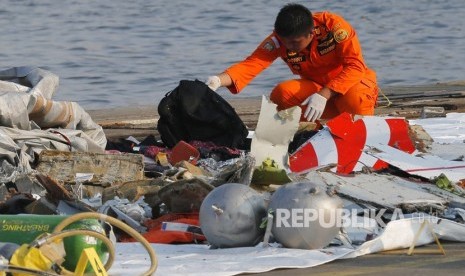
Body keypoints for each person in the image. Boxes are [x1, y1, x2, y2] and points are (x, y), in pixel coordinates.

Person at [205, 3, 379, 122]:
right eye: (284, 40)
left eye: (295, 43)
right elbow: (252, 64)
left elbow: (355, 66)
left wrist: (325, 94)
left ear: (311, 34)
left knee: (356, 96)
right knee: (282, 94)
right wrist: (217, 81)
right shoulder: (279, 40)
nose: (288, 46)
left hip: (350, 88)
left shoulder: (334, 27)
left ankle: (362, 132)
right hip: (317, 92)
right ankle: (310, 133)